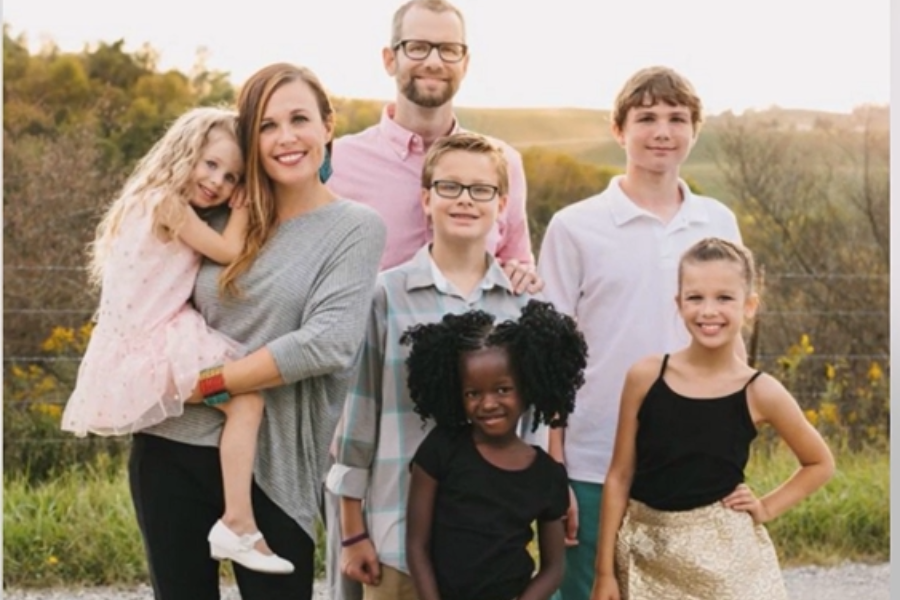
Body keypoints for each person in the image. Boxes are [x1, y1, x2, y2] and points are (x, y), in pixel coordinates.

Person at [127, 63, 386, 600]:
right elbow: (146, 295)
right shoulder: (218, 214)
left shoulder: (355, 228)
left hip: (278, 459)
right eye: (267, 126)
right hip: (173, 446)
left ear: (328, 125)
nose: (285, 138)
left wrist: (206, 383)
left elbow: (325, 342)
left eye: (299, 119)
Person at [325, 4, 540, 597]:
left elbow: (517, 261)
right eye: (418, 46)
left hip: (483, 495)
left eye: (448, 49)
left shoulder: (504, 165)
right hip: (384, 442)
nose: (433, 61)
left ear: (465, 62)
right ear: (390, 56)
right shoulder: (339, 163)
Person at [537, 65, 746, 598]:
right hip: (591, 456)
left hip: (691, 459)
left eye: (677, 118)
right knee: (588, 591)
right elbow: (549, 355)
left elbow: (731, 341)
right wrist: (553, 458)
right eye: (646, 117)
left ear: (694, 131)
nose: (662, 131)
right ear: (619, 129)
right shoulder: (575, 226)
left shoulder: (717, 220)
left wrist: (733, 444)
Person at [61, 106, 293, 574]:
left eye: (231, 177)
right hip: (155, 352)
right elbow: (228, 251)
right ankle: (238, 523)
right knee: (245, 403)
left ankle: (236, 522)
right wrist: (243, 210)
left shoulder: (145, 200)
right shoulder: (167, 204)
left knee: (242, 403)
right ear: (184, 151)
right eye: (210, 165)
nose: (218, 183)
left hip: (145, 347)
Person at [590, 237, 835, 600]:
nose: (708, 311)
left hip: (727, 562)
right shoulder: (645, 377)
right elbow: (619, 476)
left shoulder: (760, 391)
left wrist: (766, 507)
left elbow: (820, 463)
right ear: (678, 303)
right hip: (645, 555)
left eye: (724, 298)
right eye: (695, 297)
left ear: (749, 306)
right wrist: (604, 572)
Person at [402, 299, 587, 600]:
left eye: (503, 389)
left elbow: (554, 568)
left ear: (529, 387)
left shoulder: (547, 475)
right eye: (473, 393)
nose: (488, 403)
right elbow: (416, 546)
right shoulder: (442, 448)